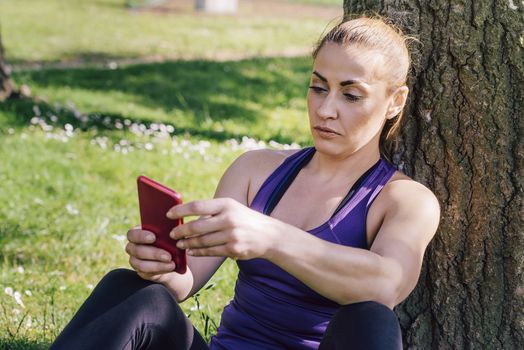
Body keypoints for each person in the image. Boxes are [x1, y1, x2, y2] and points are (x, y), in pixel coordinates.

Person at [51, 15, 440, 350]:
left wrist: (272, 238)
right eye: (318, 87)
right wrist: (160, 266)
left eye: (351, 95)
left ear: (395, 102)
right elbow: (185, 281)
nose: (325, 109)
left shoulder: (405, 200)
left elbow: (386, 285)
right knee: (130, 288)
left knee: (370, 318)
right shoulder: (256, 170)